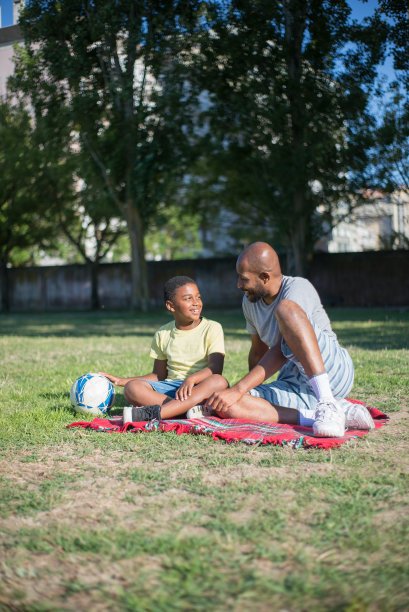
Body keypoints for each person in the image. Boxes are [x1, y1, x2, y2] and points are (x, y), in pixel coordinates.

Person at [205, 242, 374, 437]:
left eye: (244, 279)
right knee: (230, 405)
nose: (239, 285)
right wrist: (245, 393)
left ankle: (327, 401)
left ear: (265, 277)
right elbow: (258, 351)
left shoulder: (297, 287)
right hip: (294, 382)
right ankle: (326, 414)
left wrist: (238, 388)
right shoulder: (249, 302)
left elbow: (278, 350)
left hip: (332, 371)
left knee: (284, 309)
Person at [100, 276, 228, 423]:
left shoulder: (212, 328)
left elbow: (215, 368)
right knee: (131, 388)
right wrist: (122, 381)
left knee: (219, 381)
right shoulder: (162, 333)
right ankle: (187, 410)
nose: (196, 303)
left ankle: (155, 414)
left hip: (201, 387)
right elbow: (158, 375)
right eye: (188, 299)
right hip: (171, 390)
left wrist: (191, 379)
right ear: (171, 306)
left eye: (198, 297)